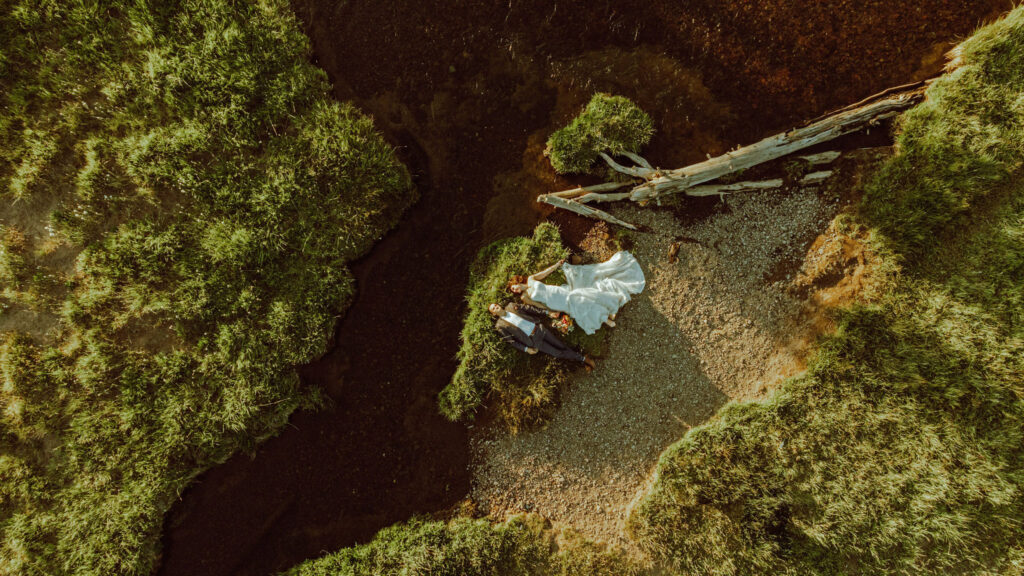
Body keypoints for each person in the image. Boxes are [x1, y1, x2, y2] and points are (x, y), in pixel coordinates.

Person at [509, 251, 645, 335]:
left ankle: (607, 314)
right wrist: (549, 312)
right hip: (553, 302)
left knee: (582, 297)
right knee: (577, 305)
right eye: (513, 291)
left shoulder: (532, 279)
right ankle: (606, 319)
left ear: (517, 281)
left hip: (556, 291)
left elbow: (544, 273)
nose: (515, 290)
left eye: (514, 287)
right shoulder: (525, 297)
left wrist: (557, 265)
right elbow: (538, 306)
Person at [489, 302, 596, 370]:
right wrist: (527, 349)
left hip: (540, 329)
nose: (496, 307)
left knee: (560, 345)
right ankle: (584, 359)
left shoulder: (511, 306)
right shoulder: (500, 326)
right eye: (493, 309)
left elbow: (530, 309)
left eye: (495, 305)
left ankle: (582, 359)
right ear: (494, 314)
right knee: (557, 353)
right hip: (533, 341)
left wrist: (546, 312)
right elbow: (511, 342)